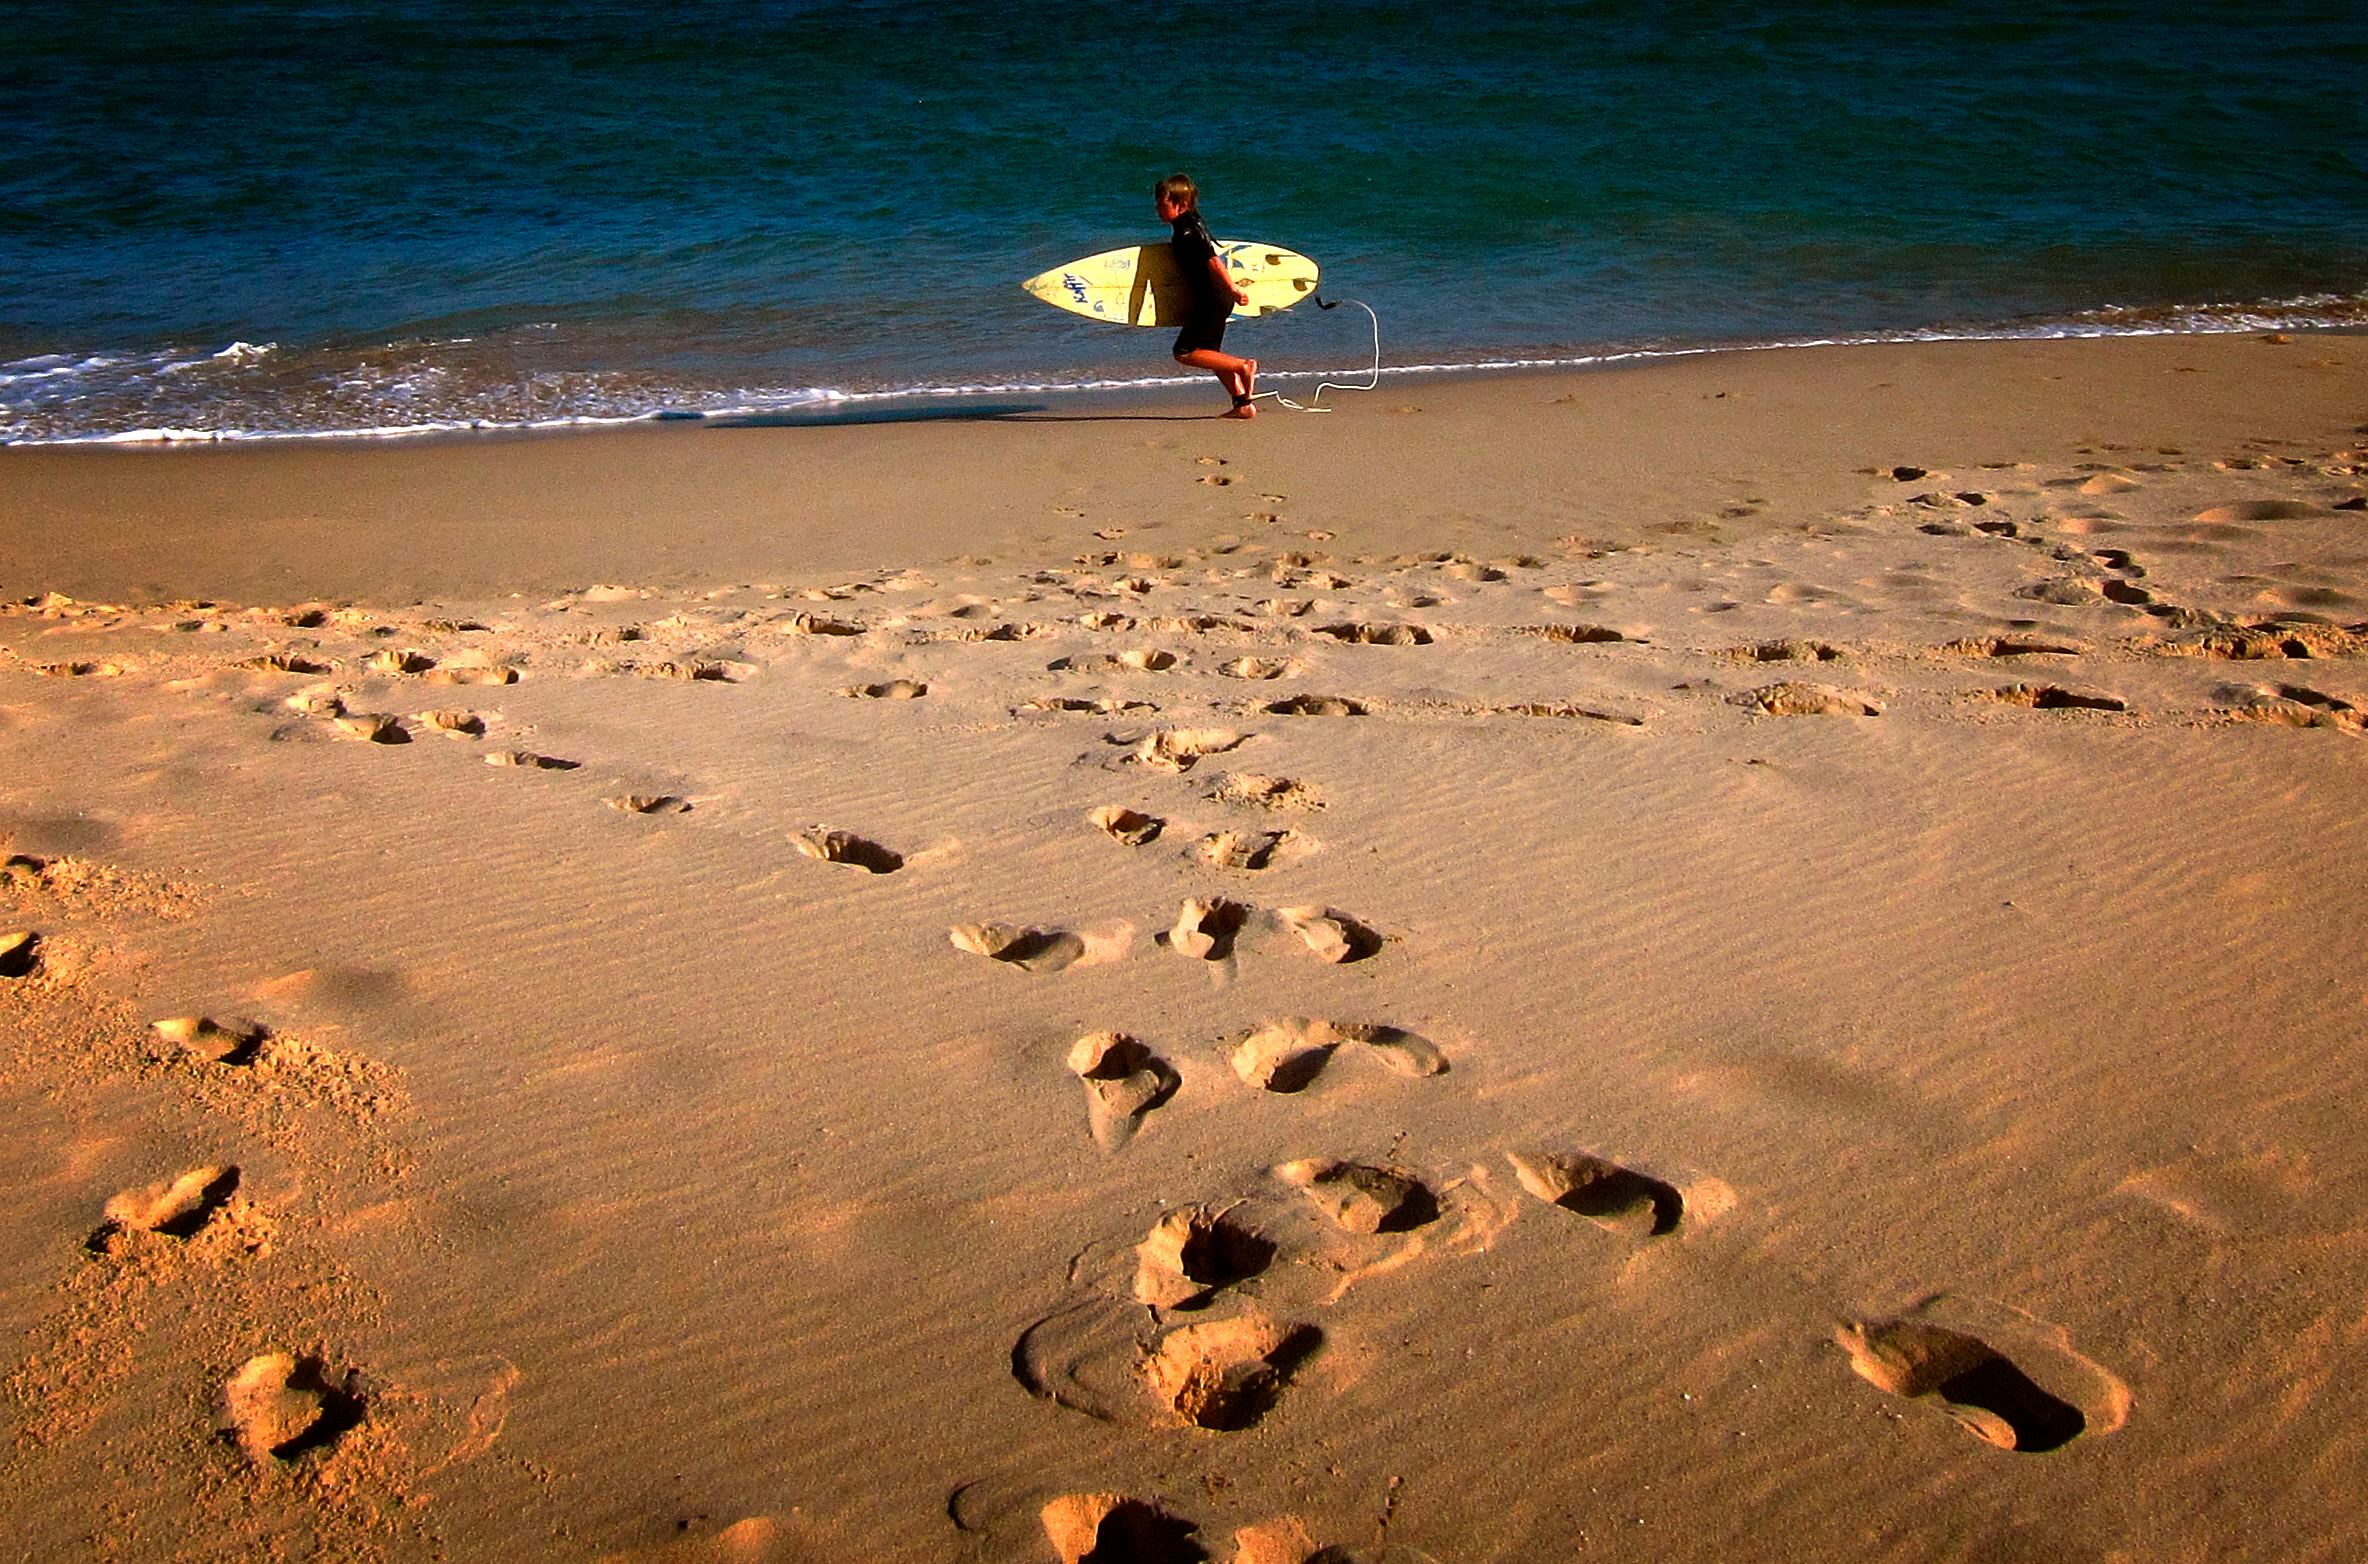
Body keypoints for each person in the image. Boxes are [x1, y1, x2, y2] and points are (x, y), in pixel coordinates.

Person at [1154, 174, 1258, 418]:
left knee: (1184, 352)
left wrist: (1233, 289)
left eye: (1162, 203)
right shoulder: (1191, 223)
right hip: (1215, 298)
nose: (1157, 208)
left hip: (1211, 298)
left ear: (1181, 204)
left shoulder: (1187, 232)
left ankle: (1243, 365)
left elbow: (1213, 261)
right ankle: (1242, 404)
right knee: (1211, 353)